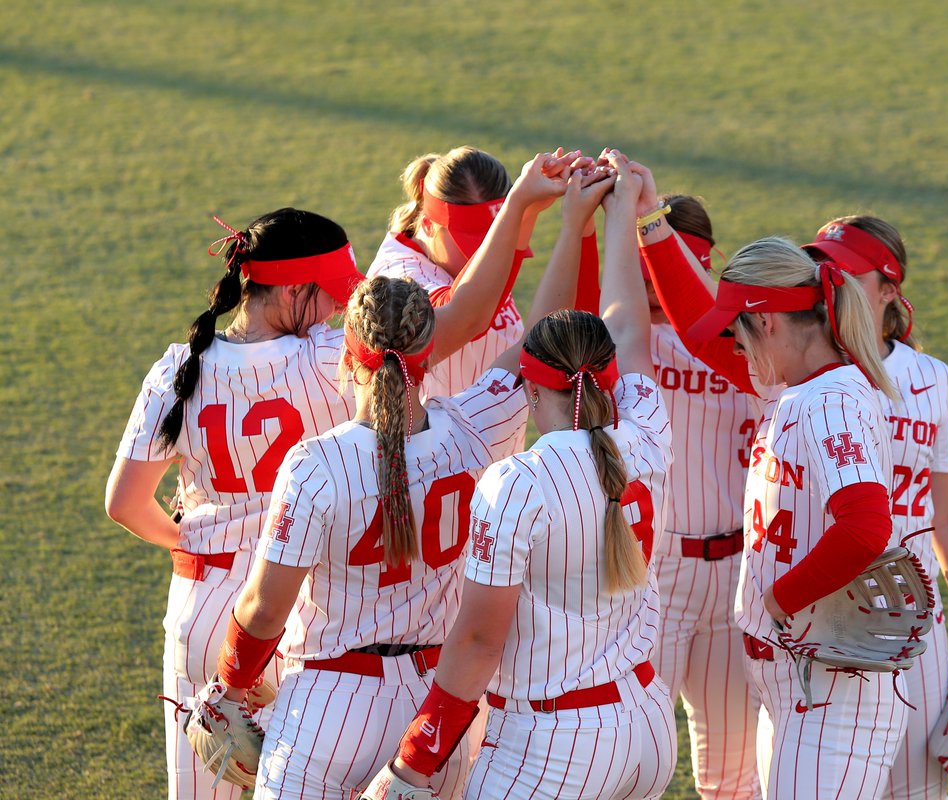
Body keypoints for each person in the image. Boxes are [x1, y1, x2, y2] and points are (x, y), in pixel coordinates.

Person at [199, 152, 587, 799]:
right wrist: (570, 224)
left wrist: (229, 687)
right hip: (437, 706)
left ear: (349, 352)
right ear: (428, 351)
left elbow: (265, 609)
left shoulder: (317, 464)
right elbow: (541, 336)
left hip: (327, 708)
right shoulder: (477, 428)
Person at [362, 151, 677, 800]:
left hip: (556, 747)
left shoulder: (518, 484)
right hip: (647, 725)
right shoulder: (645, 423)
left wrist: (415, 762)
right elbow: (628, 326)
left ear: (530, 391)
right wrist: (622, 214)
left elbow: (478, 640)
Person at [640, 203, 910, 796]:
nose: (731, 350)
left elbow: (864, 528)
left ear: (765, 324)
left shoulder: (830, 400)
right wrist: (650, 223)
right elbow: (696, 330)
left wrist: (777, 603)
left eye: (736, 331)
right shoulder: (793, 384)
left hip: (831, 694)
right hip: (798, 684)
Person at [105, 207, 365, 800]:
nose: (337, 310)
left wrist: (189, 542)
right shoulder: (332, 359)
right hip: (303, 611)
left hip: (203, 608)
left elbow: (124, 503)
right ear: (295, 290)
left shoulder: (180, 368)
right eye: (328, 295)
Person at [802, 217, 948, 800]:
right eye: (819, 269)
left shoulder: (931, 379)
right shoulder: (797, 366)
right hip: (819, 614)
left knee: (914, 791)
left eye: (844, 273)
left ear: (889, 289)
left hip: (917, 624)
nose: (825, 282)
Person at [640, 194, 763, 800]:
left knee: (734, 776)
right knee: (631, 762)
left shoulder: (752, 348)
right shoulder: (626, 343)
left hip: (737, 575)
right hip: (650, 577)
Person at [368, 146, 599, 399]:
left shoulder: (464, 264)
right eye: (471, 240)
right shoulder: (396, 277)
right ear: (428, 224)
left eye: (494, 235)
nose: (484, 253)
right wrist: (520, 207)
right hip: (439, 437)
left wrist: (533, 211)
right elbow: (463, 318)